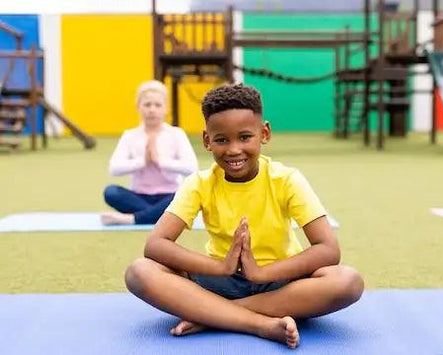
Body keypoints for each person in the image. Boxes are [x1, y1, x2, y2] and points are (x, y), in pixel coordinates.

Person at [124, 83, 364, 348]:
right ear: (207, 140)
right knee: (140, 271)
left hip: (280, 283)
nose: (234, 150)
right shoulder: (198, 183)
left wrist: (261, 273)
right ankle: (260, 323)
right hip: (220, 281)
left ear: (264, 133)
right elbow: (156, 245)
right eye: (222, 140)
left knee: (348, 281)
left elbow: (328, 249)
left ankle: (214, 314)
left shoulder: (287, 179)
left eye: (245, 137)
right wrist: (221, 267)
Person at [101, 80, 198, 225]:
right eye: (147, 105)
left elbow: (192, 168)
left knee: (187, 194)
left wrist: (160, 161)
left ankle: (133, 219)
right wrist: (143, 161)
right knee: (111, 192)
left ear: (165, 108)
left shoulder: (176, 134)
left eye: (157, 105)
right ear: (138, 107)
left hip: (169, 195)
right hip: (139, 196)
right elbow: (114, 168)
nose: (152, 110)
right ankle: (161, 215)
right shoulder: (130, 135)